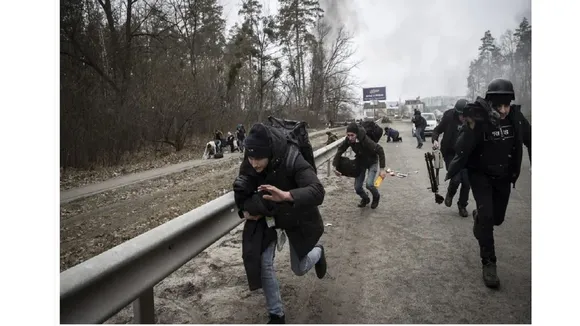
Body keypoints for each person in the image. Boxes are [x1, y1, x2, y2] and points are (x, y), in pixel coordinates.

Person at [233, 123, 327, 324]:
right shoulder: (251, 159)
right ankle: (277, 315)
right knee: (263, 262)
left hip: (294, 212)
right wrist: (246, 211)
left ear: (269, 152)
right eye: (250, 158)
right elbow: (242, 192)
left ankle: (318, 253)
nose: (254, 163)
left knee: (299, 268)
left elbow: (318, 191)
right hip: (268, 212)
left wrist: (286, 195)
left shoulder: (292, 157)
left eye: (258, 159)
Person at [445, 78, 531, 289]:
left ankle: (480, 220)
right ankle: (489, 262)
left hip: (503, 176)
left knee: (497, 219)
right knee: (487, 216)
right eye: (498, 106)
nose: (503, 110)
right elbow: (460, 146)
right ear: (490, 103)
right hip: (480, 175)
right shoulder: (478, 119)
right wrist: (472, 124)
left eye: (506, 105)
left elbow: (532, 140)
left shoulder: (516, 118)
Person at [332, 122, 387, 209]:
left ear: (356, 134)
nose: (350, 138)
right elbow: (340, 150)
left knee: (369, 184)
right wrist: (334, 166)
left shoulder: (365, 140)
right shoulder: (348, 140)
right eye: (348, 135)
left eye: (352, 135)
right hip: (361, 162)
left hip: (372, 162)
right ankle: (365, 198)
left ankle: (376, 197)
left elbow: (380, 150)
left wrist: (382, 169)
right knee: (357, 188)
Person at [431, 99, 471, 217]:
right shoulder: (448, 117)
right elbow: (436, 130)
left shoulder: (472, 120)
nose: (463, 118)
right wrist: (435, 140)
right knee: (456, 178)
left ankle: (462, 205)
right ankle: (450, 193)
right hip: (450, 153)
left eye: (465, 116)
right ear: (457, 113)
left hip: (465, 154)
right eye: (461, 115)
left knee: (467, 182)